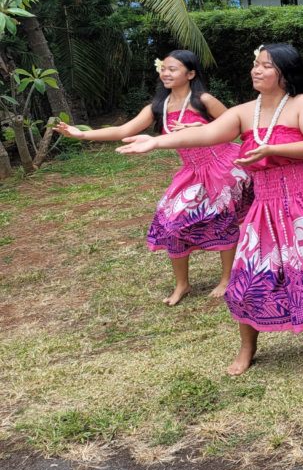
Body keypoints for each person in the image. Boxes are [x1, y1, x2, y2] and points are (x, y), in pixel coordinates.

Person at [117, 43, 303, 375]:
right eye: (256, 64)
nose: (256, 69)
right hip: (266, 204)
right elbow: (207, 134)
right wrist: (156, 141)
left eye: (266, 65)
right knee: (247, 276)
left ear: (284, 71)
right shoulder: (243, 111)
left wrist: (273, 147)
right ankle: (247, 347)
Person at [54, 50, 250, 306]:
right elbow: (124, 130)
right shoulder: (158, 107)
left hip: (222, 166)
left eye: (173, 69)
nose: (166, 73)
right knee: (170, 221)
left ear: (190, 74)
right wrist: (82, 135)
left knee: (224, 219)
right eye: (164, 68)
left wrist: (200, 127)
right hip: (192, 171)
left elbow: (235, 127)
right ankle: (182, 283)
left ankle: (226, 279)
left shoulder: (204, 100)